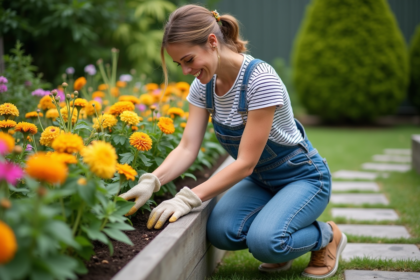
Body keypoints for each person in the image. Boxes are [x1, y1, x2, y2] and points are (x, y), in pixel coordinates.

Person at [119, 4, 347, 279]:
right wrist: (151, 181)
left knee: (266, 243)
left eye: (189, 60)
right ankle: (276, 232)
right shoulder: (203, 86)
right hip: (262, 181)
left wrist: (188, 198)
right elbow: (187, 147)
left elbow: (246, 164)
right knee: (221, 232)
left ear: (212, 42)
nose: (186, 70)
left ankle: (327, 235)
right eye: (180, 64)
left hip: (302, 178)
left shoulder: (260, 81)